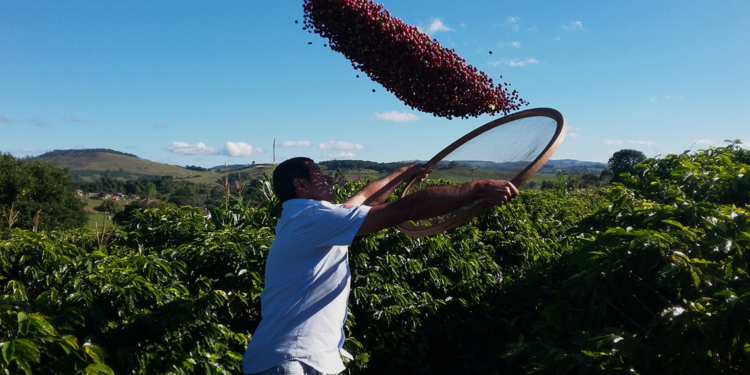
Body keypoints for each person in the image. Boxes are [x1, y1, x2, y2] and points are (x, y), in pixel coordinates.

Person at [243, 157, 519, 375]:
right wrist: (478, 188)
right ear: (300, 185)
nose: (328, 178)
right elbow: (407, 209)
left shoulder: (307, 219)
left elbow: (362, 200)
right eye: (318, 174)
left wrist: (402, 174)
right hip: (292, 359)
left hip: (291, 358)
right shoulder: (313, 217)